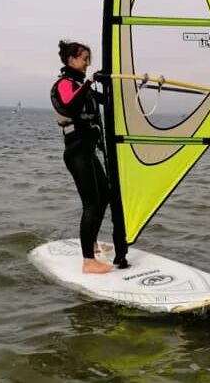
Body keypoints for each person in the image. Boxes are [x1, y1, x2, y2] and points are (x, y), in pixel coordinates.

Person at [51, 40, 128, 273]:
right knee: (91, 204)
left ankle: (92, 244)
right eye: (84, 59)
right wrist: (90, 82)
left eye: (88, 60)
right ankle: (88, 262)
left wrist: (118, 84)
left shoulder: (80, 85)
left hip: (88, 150)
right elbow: (70, 105)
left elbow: (106, 101)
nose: (87, 63)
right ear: (71, 60)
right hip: (76, 151)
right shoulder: (64, 84)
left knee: (104, 195)